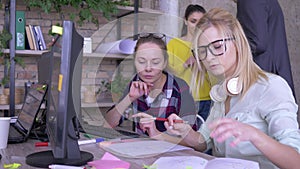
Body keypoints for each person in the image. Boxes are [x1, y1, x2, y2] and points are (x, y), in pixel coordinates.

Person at [164, 8, 300, 169]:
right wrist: (185, 130)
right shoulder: (221, 91)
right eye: (202, 51)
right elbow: (203, 141)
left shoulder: (271, 87)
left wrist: (255, 136)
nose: (209, 57)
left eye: (217, 46)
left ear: (237, 43)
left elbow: (295, 161)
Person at [105, 33, 198, 138]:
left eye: (155, 62)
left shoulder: (180, 88)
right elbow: (108, 125)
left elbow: (194, 140)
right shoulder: (135, 85)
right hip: (141, 151)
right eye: (141, 61)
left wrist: (157, 134)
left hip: (173, 152)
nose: (148, 68)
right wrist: (129, 98)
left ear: (164, 63)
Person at [233, 0, 295, 96]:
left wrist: (232, 48)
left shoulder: (249, 2)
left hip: (265, 75)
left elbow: (258, 43)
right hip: (273, 72)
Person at [167, 4, 211, 122]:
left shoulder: (209, 45)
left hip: (206, 99)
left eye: (201, 22)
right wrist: (186, 63)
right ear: (185, 21)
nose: (197, 25)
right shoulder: (174, 44)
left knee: (203, 138)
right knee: (182, 136)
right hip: (183, 98)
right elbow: (169, 73)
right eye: (193, 21)